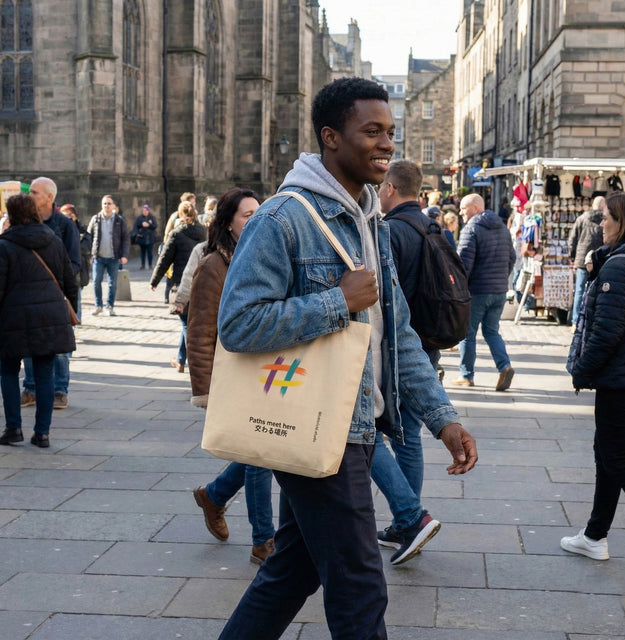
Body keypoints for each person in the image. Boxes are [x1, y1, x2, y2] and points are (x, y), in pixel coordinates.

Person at [215, 77, 477, 640]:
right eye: (373, 131)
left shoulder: (369, 221)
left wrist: (443, 418)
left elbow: (396, 333)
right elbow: (236, 324)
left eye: (391, 132)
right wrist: (338, 301)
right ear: (332, 137)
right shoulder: (280, 219)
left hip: (357, 426)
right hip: (317, 424)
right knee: (360, 583)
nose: (387, 144)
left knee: (294, 569)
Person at [186, 187, 275, 564]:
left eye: (259, 212)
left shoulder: (264, 258)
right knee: (260, 454)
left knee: (263, 451)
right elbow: (200, 331)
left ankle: (215, 494)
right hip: (233, 375)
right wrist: (205, 392)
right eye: (246, 215)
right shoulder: (213, 266)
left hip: (264, 371)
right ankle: (263, 540)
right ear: (228, 223)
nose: (255, 220)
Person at [374, 159, 448, 564]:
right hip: (427, 344)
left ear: (389, 188)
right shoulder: (434, 226)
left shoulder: (391, 232)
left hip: (398, 348)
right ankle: (408, 519)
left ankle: (409, 520)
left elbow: (386, 300)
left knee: (383, 434)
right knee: (408, 435)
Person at [561, 192, 625, 561]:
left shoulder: (620, 268)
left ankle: (594, 535)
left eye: (606, 217)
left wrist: (582, 370)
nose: (600, 223)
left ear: (623, 221)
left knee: (620, 460)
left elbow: (606, 332)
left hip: (622, 379)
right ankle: (594, 535)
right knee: (608, 454)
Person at [0, 194, 76, 448]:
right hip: (50, 317)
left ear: (11, 214)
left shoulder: (4, 244)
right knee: (45, 375)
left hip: (13, 319)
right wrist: (71, 313)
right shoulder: (52, 240)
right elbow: (69, 280)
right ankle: (42, 433)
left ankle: (13, 428)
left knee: (9, 372)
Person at [21, 177, 81, 411]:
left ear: (49, 197)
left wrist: (58, 284)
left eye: (34, 192)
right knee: (28, 343)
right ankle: (31, 388)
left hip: (58, 294)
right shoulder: (24, 223)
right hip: (30, 295)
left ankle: (59, 390)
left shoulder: (65, 225)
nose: (30, 196)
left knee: (60, 347)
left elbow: (75, 263)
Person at [453, 193, 516, 391]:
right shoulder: (502, 228)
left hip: (477, 290)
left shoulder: (471, 229)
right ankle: (505, 366)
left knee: (467, 333)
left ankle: (467, 375)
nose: (460, 212)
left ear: (476, 208)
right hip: (498, 290)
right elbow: (512, 258)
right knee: (491, 331)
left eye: (464, 208)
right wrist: (501, 279)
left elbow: (463, 263)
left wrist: (458, 288)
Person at [149, 200, 206, 373]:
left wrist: (154, 281)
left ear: (181, 215)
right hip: (202, 284)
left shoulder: (176, 234)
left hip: (181, 283)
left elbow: (165, 259)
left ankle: (195, 361)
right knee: (187, 323)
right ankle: (181, 360)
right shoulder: (204, 232)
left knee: (186, 325)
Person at [86, 194, 130, 316]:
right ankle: (98, 305)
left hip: (114, 257)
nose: (106, 206)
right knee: (96, 281)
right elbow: (89, 237)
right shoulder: (96, 219)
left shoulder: (119, 220)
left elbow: (125, 238)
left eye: (109, 203)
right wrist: (90, 254)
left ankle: (110, 306)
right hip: (98, 257)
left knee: (112, 283)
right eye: (104, 203)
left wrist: (124, 255)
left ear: (114, 206)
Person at [568, 195, 605, 327]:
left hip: (582, 259)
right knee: (598, 290)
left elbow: (572, 239)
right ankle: (593, 319)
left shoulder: (582, 218)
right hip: (599, 259)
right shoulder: (605, 220)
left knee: (579, 290)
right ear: (603, 206)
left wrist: (572, 257)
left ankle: (575, 321)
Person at [59, 204, 91, 324]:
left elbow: (87, 248)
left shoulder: (82, 230)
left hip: (78, 270)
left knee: (76, 296)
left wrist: (74, 243)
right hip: (62, 269)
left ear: (74, 216)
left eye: (69, 215)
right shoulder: (58, 230)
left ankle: (75, 319)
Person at [133, 204, 158, 270]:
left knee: (150, 252)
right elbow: (136, 226)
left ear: (148, 211)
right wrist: (141, 225)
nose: (145, 212)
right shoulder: (139, 218)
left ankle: (150, 265)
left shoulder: (152, 218)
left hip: (150, 238)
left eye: (146, 210)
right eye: (144, 211)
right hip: (142, 238)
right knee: (142, 253)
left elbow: (155, 226)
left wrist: (149, 224)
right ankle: (143, 264)